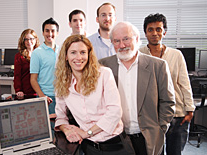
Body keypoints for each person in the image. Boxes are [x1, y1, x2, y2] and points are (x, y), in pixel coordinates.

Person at [99, 21, 176, 155]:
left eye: (126, 39)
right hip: (116, 138)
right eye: (116, 41)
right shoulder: (103, 66)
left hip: (147, 138)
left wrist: (160, 129)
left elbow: (168, 102)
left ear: (137, 39)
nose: (122, 45)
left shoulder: (158, 66)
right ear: (112, 43)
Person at [54, 35, 135, 155]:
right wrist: (67, 130)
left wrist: (87, 133)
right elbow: (60, 116)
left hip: (115, 146)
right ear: (66, 56)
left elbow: (115, 111)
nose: (79, 57)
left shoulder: (104, 74)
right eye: (73, 53)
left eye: (83, 52)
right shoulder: (62, 83)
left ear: (89, 54)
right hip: (89, 148)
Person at [140, 13, 195, 155]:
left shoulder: (176, 55)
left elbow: (184, 83)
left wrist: (189, 110)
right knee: (154, 152)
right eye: (150, 29)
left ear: (164, 32)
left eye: (158, 29)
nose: (154, 33)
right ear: (145, 33)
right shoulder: (139, 54)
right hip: (151, 115)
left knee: (175, 152)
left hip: (176, 113)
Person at [30, 17, 59, 119]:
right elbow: (33, 79)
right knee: (49, 129)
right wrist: (42, 96)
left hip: (62, 96)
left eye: (52, 31)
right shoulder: (37, 53)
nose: (50, 34)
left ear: (57, 33)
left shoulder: (63, 51)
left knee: (61, 129)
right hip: (46, 97)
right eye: (47, 31)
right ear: (42, 33)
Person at [14, 29, 40, 99]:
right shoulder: (19, 56)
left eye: (31, 39)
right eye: (26, 39)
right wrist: (18, 90)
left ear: (35, 40)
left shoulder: (40, 54)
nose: (29, 42)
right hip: (26, 92)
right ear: (23, 41)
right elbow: (17, 75)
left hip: (39, 91)